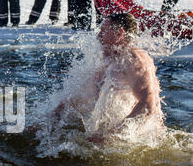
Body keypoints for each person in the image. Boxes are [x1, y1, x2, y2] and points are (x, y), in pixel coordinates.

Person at [54, 13, 164, 141]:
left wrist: (112, 136)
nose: (98, 37)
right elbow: (84, 96)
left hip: (139, 139)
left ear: (119, 33)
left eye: (103, 32)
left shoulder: (135, 59)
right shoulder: (110, 60)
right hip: (109, 130)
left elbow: (148, 105)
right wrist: (55, 115)